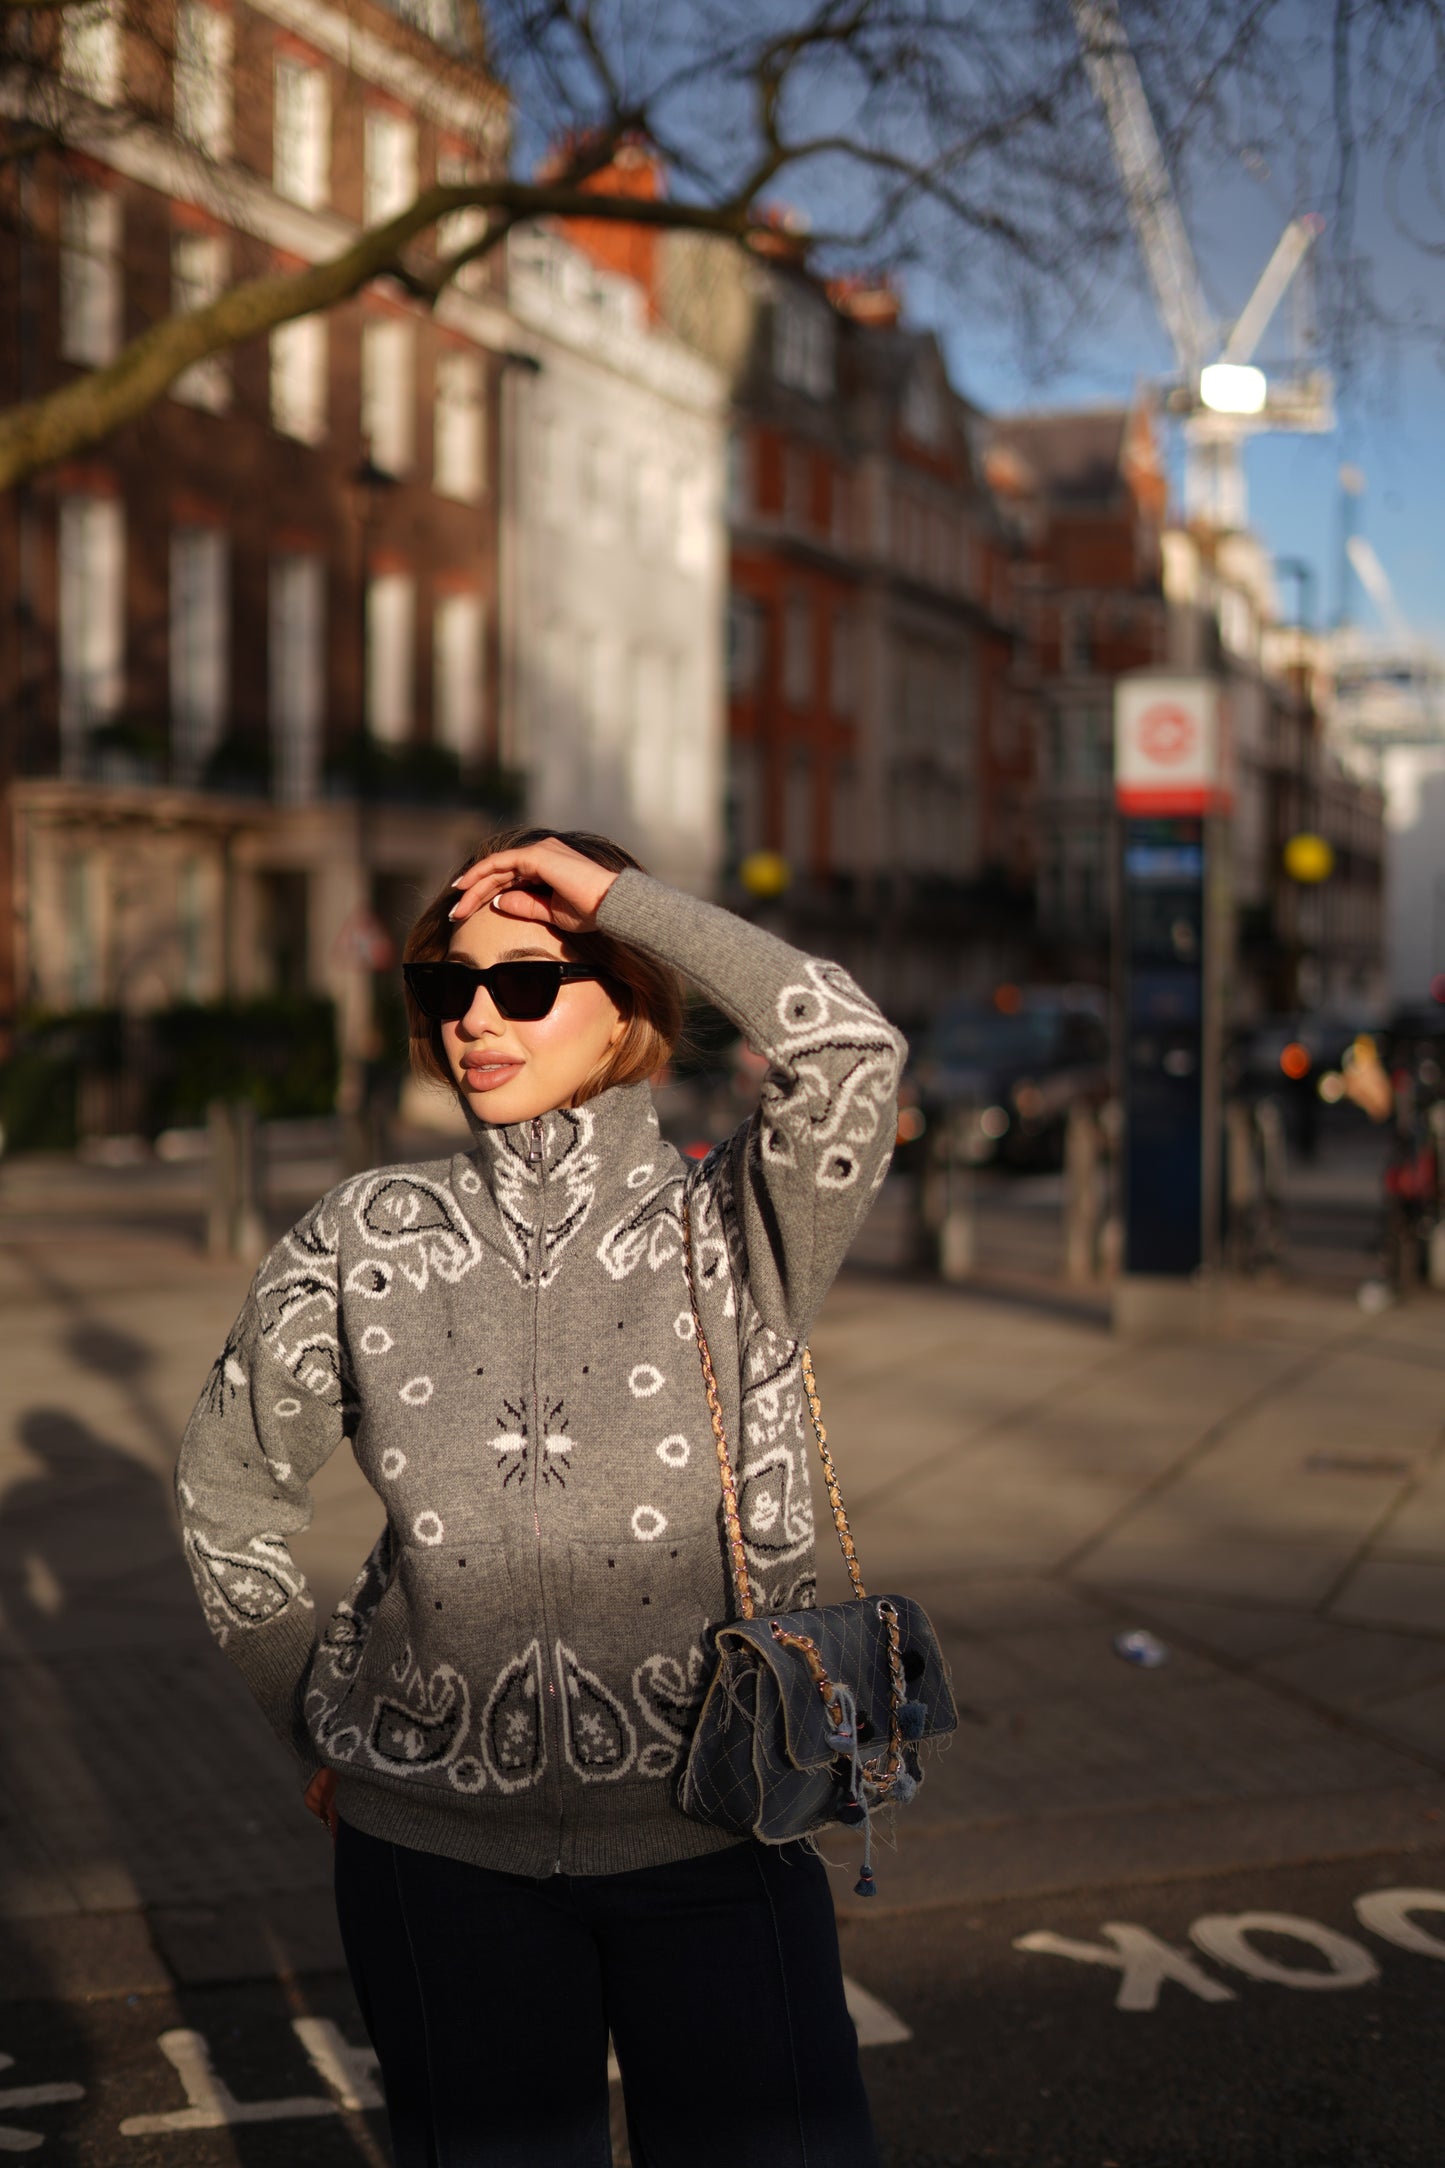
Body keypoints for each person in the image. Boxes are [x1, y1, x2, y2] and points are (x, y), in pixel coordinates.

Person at [174, 828, 905, 2168]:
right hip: (435, 1864)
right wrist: (312, 1711)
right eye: (448, 989)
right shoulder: (359, 1235)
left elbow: (852, 1056)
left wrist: (618, 897)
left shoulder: (737, 1223)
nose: (474, 1021)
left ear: (632, 1004)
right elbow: (228, 1498)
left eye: (526, 981)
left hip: (716, 1832)